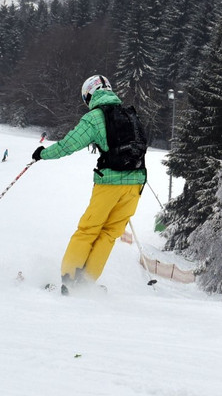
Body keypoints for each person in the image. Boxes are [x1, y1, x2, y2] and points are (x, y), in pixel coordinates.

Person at [31, 74, 146, 293]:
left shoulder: (95, 117)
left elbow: (69, 145)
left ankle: (68, 280)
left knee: (88, 230)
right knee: (109, 234)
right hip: (136, 184)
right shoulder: (130, 114)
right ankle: (85, 285)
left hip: (110, 183)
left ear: (89, 95)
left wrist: (44, 154)